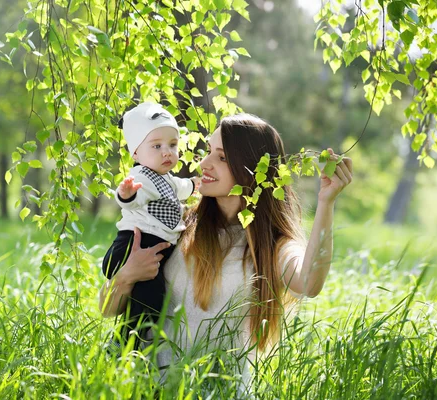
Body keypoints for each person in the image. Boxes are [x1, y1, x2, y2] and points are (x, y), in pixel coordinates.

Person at [99, 113, 353, 391]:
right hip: (146, 388)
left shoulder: (272, 245)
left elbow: (309, 282)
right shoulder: (177, 224)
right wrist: (125, 277)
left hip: (220, 392)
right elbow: (107, 308)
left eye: (221, 157)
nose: (203, 163)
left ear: (251, 168)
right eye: (208, 151)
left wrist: (326, 203)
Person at [102, 102, 200, 350]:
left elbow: (183, 186)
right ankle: (125, 344)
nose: (167, 152)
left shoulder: (167, 179)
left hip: (150, 250)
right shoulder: (142, 178)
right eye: (156, 146)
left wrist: (196, 184)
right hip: (132, 246)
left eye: (172, 145)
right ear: (135, 153)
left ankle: (130, 343)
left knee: (149, 303)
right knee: (149, 302)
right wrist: (126, 194)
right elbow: (132, 198)